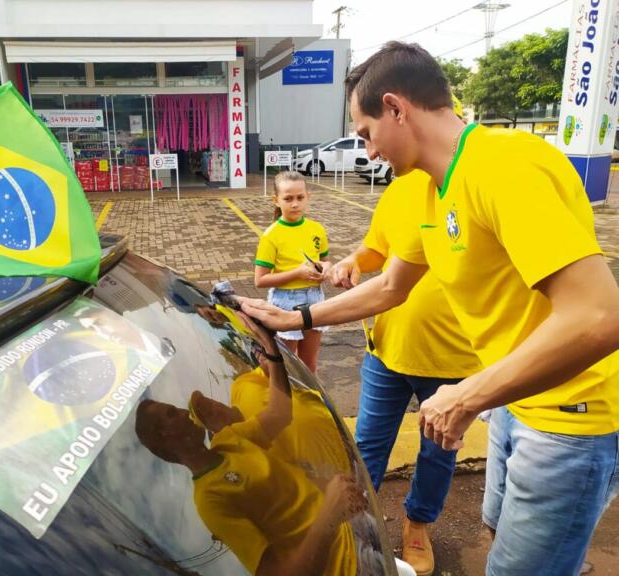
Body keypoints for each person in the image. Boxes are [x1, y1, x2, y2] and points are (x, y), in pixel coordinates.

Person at [240, 41, 619, 576]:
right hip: (519, 401)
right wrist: (296, 318)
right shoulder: (429, 188)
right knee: (500, 539)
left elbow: (600, 316)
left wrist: (467, 394)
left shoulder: (503, 165)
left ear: (396, 107)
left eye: (368, 133)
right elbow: (391, 286)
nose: (367, 152)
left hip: (569, 419)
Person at [329, 166, 482, 576]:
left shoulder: (471, 184)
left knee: (438, 451)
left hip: (452, 359)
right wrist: (354, 260)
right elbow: (377, 248)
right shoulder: (398, 191)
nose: (371, 152)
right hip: (387, 350)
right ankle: (360, 524)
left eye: (369, 133)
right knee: (366, 445)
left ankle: (417, 525)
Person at [135, 313, 368, 575]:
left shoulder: (228, 440)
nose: (181, 412)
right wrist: (328, 515)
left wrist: (272, 351)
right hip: (345, 566)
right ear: (164, 436)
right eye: (171, 414)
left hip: (353, 528)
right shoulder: (210, 499)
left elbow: (280, 414)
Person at [253, 170, 330, 372]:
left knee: (309, 362)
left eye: (300, 198)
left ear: (308, 197)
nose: (295, 204)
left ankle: (310, 400)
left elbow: (325, 261)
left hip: (315, 297)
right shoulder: (271, 235)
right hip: (286, 301)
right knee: (286, 366)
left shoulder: (317, 229)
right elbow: (260, 280)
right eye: (288, 198)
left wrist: (326, 270)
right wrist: (297, 273)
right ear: (276, 200)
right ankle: (284, 401)